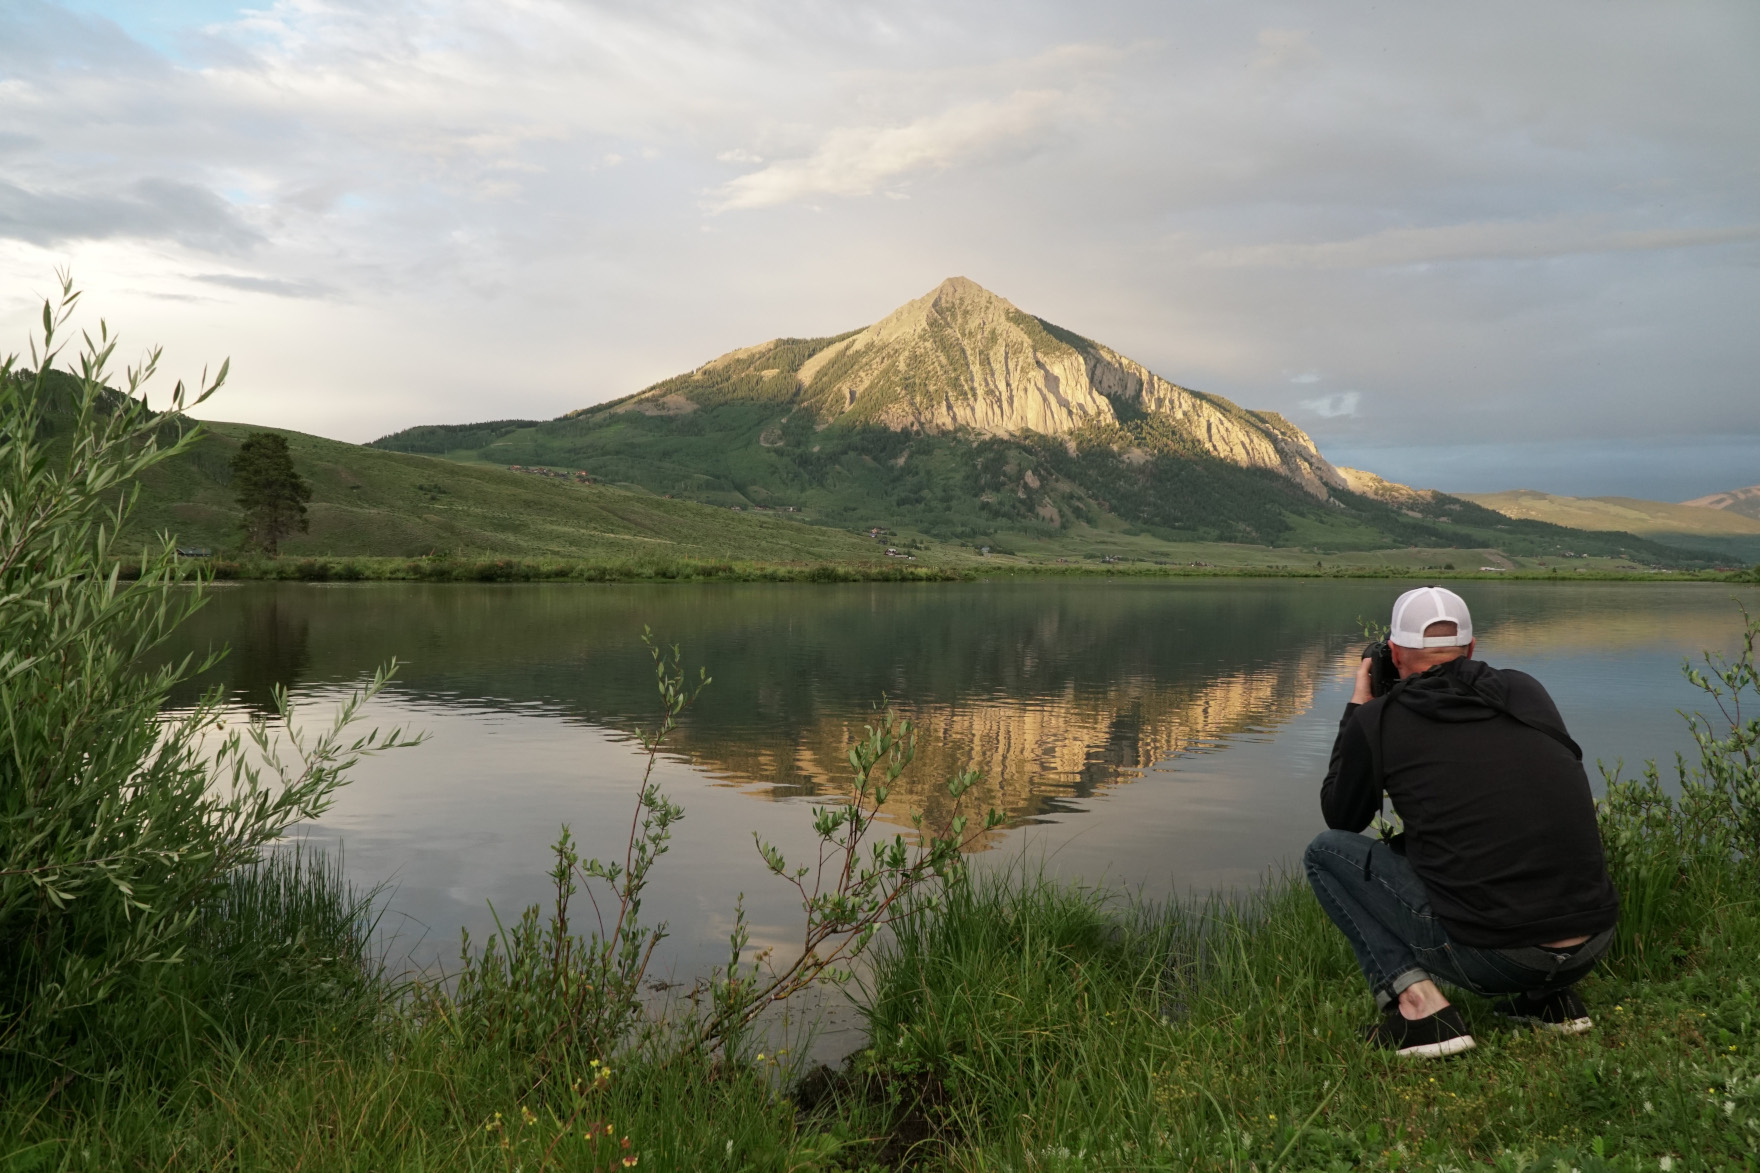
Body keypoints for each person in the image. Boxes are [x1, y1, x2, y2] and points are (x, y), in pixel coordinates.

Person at [1304, 586, 1619, 1058]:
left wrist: (1358, 711)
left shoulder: (1380, 720)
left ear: (1392, 653)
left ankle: (1421, 1011)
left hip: (1497, 959)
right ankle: (1548, 1002)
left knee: (1325, 853)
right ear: (1471, 649)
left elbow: (1343, 817)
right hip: (1592, 945)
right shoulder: (1526, 690)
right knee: (1484, 826)